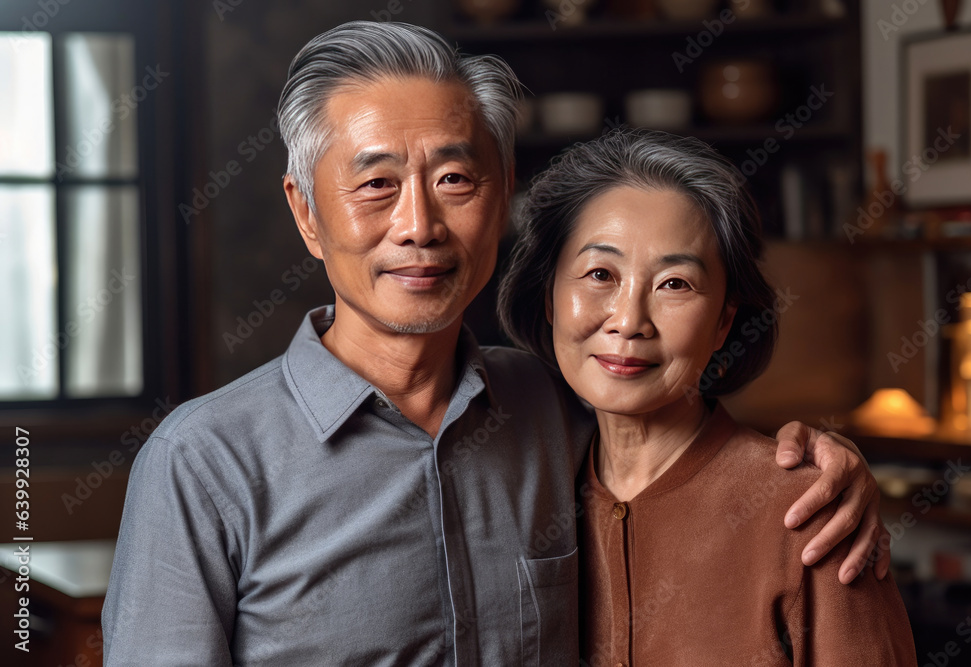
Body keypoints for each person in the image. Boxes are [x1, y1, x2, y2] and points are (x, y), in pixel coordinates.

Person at [102, 22, 888, 665]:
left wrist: (825, 462)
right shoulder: (202, 465)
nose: (418, 226)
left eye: (454, 179)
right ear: (306, 211)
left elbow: (679, 436)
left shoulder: (555, 405)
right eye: (375, 183)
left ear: (503, 190)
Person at [499, 128, 917, 665]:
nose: (628, 322)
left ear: (724, 321)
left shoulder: (811, 512)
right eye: (600, 273)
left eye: (675, 284)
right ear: (551, 297)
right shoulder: (530, 492)